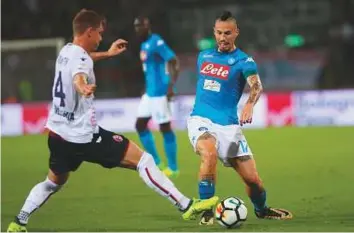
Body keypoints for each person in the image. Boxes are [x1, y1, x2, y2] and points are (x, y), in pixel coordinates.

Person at [7, 9, 218, 232]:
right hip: (84, 138)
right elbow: (79, 75)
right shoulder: (80, 61)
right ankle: (185, 205)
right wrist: (83, 86)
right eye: (98, 33)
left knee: (51, 183)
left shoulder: (66, 51)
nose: (100, 38)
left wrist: (107, 54)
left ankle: (19, 221)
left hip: (58, 136)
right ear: (88, 32)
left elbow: (82, 61)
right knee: (144, 160)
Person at [186, 11, 293, 225]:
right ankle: (207, 209)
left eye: (227, 33)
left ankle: (262, 209)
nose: (222, 37)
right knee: (209, 152)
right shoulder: (203, 56)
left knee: (253, 181)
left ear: (236, 33)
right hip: (201, 120)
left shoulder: (244, 61)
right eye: (218, 33)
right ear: (214, 33)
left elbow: (256, 85)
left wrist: (249, 104)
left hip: (229, 127)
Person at [133, 16, 179, 177]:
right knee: (140, 125)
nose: (138, 29)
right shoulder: (144, 44)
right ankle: (157, 163)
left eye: (141, 26)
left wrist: (171, 86)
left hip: (160, 92)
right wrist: (146, 88)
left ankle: (173, 168)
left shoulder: (156, 41)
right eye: (136, 26)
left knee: (164, 128)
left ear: (148, 26)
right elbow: (149, 69)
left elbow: (173, 61)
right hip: (149, 93)